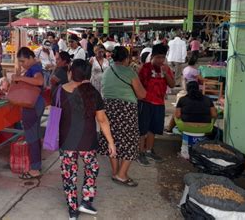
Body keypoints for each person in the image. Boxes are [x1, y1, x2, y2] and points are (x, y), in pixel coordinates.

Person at [56, 59, 116, 220]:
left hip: (67, 142)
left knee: (69, 174)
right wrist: (111, 142)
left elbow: (55, 116)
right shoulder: (93, 92)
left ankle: (73, 209)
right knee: (92, 168)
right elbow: (102, 120)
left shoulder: (59, 91)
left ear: (71, 72)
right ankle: (86, 201)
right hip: (87, 141)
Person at [99, 46, 146, 187]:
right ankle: (121, 174)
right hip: (126, 110)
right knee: (130, 141)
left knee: (112, 139)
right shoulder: (129, 72)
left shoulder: (107, 71)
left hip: (108, 109)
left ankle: (115, 172)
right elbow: (142, 94)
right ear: (126, 58)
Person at [137, 44, 175, 165]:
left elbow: (172, 85)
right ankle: (140, 152)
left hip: (159, 103)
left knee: (153, 129)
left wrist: (165, 74)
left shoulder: (166, 68)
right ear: (152, 56)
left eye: (163, 57)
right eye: (158, 57)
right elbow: (139, 84)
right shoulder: (145, 68)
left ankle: (149, 150)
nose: (160, 60)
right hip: (145, 102)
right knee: (142, 129)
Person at [12, 47, 45, 180]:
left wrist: (20, 77)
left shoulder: (35, 68)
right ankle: (36, 164)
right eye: (20, 62)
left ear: (31, 57)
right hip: (36, 103)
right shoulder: (33, 67)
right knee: (35, 135)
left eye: (23, 61)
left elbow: (39, 81)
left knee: (31, 136)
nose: (22, 64)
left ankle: (35, 169)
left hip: (32, 104)